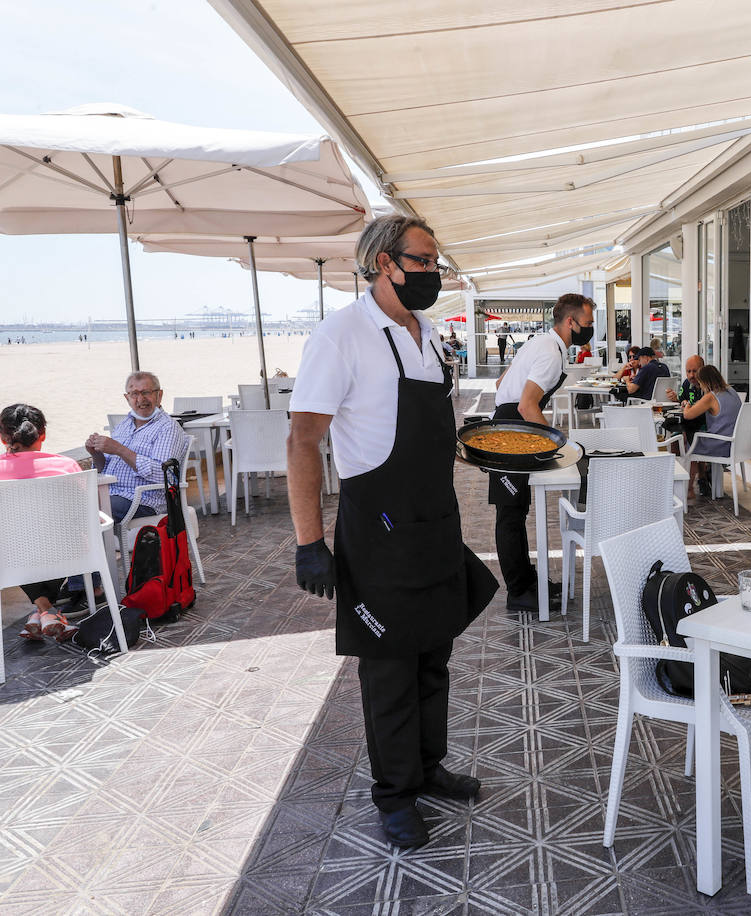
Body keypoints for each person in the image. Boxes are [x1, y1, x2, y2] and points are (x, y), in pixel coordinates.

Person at [286, 214, 499, 851]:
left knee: (434, 656)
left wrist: (481, 450)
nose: (435, 272)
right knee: (389, 671)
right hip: (377, 531)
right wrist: (308, 541)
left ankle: (427, 769)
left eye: (436, 263)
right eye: (424, 261)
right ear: (384, 262)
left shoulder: (429, 335)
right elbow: (302, 440)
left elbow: (430, 432)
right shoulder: (342, 334)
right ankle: (395, 795)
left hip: (434, 524)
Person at [489, 292, 596, 612]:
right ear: (570, 321)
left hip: (509, 426)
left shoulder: (540, 342)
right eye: (588, 323)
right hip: (513, 431)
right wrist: (557, 442)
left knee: (515, 511)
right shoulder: (551, 353)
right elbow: (526, 404)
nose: (590, 329)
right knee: (510, 514)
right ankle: (519, 591)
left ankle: (527, 580)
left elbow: (500, 384)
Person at [0, 403, 87, 642]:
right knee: (46, 543)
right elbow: (84, 514)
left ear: (2, 437)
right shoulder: (67, 466)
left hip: (13, 558)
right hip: (70, 554)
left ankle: (43, 609)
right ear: (43, 434)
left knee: (15, 545)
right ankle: (46, 613)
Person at [86, 370, 185, 522]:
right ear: (127, 398)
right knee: (70, 505)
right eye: (134, 394)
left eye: (146, 392)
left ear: (159, 395)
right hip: (111, 494)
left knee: (86, 512)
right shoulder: (124, 425)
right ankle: (99, 546)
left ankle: (102, 546)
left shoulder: (168, 427)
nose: (141, 399)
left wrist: (119, 449)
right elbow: (104, 469)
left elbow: (163, 474)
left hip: (143, 499)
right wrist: (95, 454)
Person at [680, 365, 741, 499]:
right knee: (694, 438)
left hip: (720, 445)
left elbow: (688, 415)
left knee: (688, 444)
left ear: (705, 382)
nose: (700, 386)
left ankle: (688, 490)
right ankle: (703, 480)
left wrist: (687, 405)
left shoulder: (711, 397)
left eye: (700, 383)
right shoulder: (731, 391)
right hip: (735, 444)